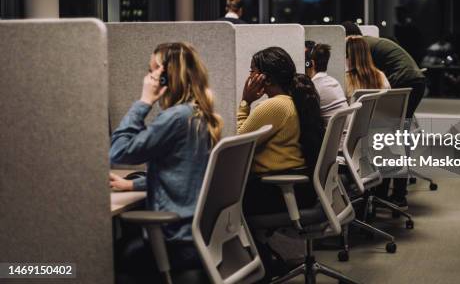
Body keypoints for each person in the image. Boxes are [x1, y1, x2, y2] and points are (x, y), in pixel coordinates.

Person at [109, 42, 223, 282]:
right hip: (196, 232)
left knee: (108, 254)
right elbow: (188, 175)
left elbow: (117, 152)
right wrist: (133, 185)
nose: (148, 77)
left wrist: (143, 102)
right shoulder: (196, 113)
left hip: (175, 238)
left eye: (152, 71)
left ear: (165, 77)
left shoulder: (176, 117)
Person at [237, 47, 324, 280]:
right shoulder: (291, 100)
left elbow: (239, 144)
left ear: (264, 77)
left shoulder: (274, 106)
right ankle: (266, 261)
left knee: (222, 207)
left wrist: (245, 101)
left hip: (283, 190)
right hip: (298, 188)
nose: (249, 77)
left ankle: (263, 266)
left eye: (252, 71)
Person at [342, 21, 426, 208]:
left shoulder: (359, 45)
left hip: (405, 80)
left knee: (391, 132)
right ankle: (392, 191)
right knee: (395, 132)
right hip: (414, 79)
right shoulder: (370, 44)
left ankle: (393, 192)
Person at [305, 41, 348, 126]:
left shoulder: (314, 88)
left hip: (333, 138)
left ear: (310, 64)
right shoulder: (333, 82)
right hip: (343, 136)